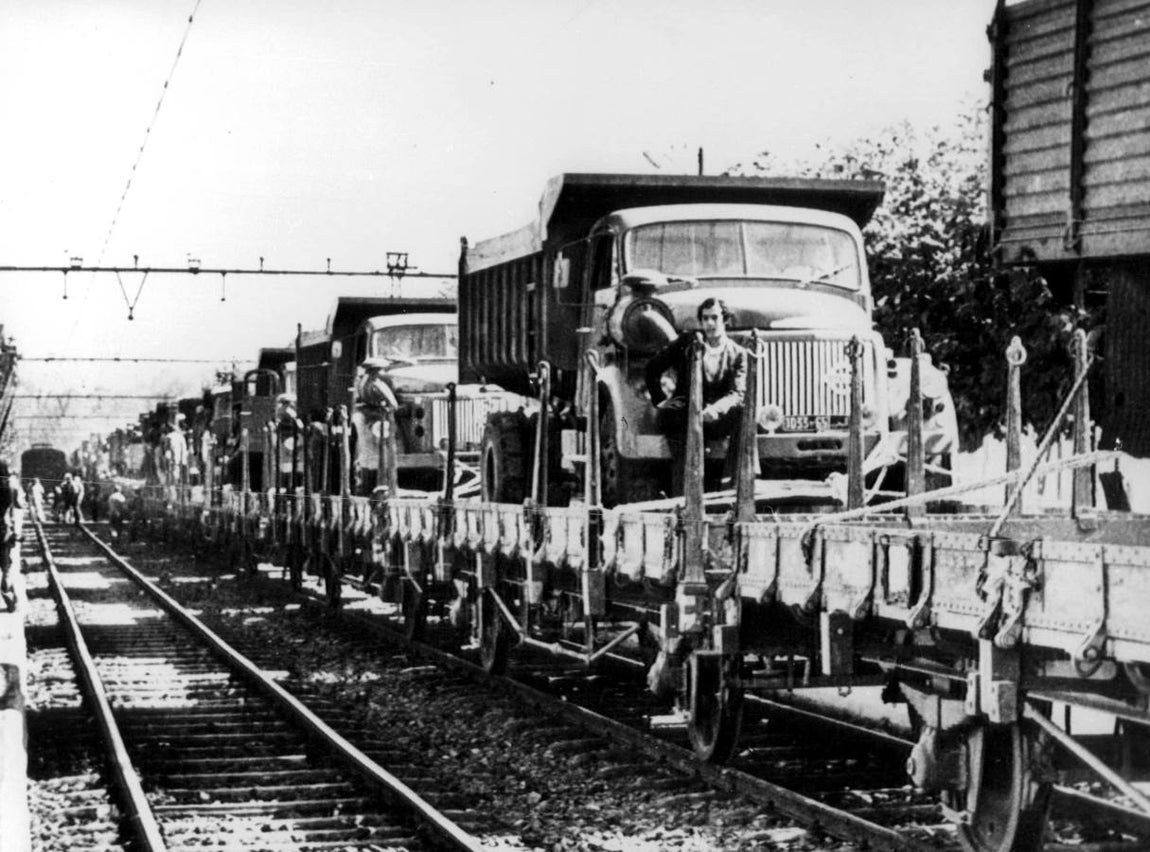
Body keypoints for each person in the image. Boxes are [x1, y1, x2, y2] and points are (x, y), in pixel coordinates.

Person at [645, 297, 748, 492]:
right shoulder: (686, 343)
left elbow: (738, 393)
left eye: (714, 318)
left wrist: (716, 410)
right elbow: (653, 368)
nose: (709, 323)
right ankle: (682, 502)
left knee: (743, 414)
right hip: (683, 419)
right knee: (686, 464)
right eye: (705, 318)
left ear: (725, 320)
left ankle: (734, 484)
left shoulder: (738, 353)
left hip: (715, 420)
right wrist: (661, 402)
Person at [0, 461, 27, 612]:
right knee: (6, 566)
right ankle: (10, 596)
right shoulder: (10, 487)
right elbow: (17, 506)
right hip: (4, 531)